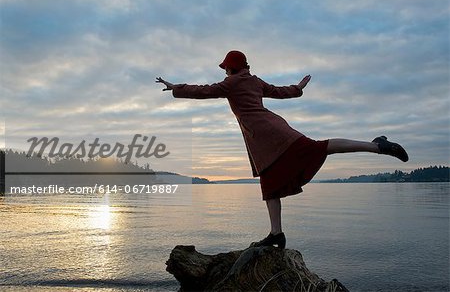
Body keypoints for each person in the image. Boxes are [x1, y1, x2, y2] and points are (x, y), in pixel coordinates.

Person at [156, 50, 409, 249]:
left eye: (226, 68)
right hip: (270, 137)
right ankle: (276, 234)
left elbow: (203, 91)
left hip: (270, 137)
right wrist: (298, 88)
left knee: (320, 149)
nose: (226, 72)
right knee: (270, 183)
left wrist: (175, 87)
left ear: (232, 68)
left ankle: (377, 146)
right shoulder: (254, 81)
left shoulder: (231, 84)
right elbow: (280, 91)